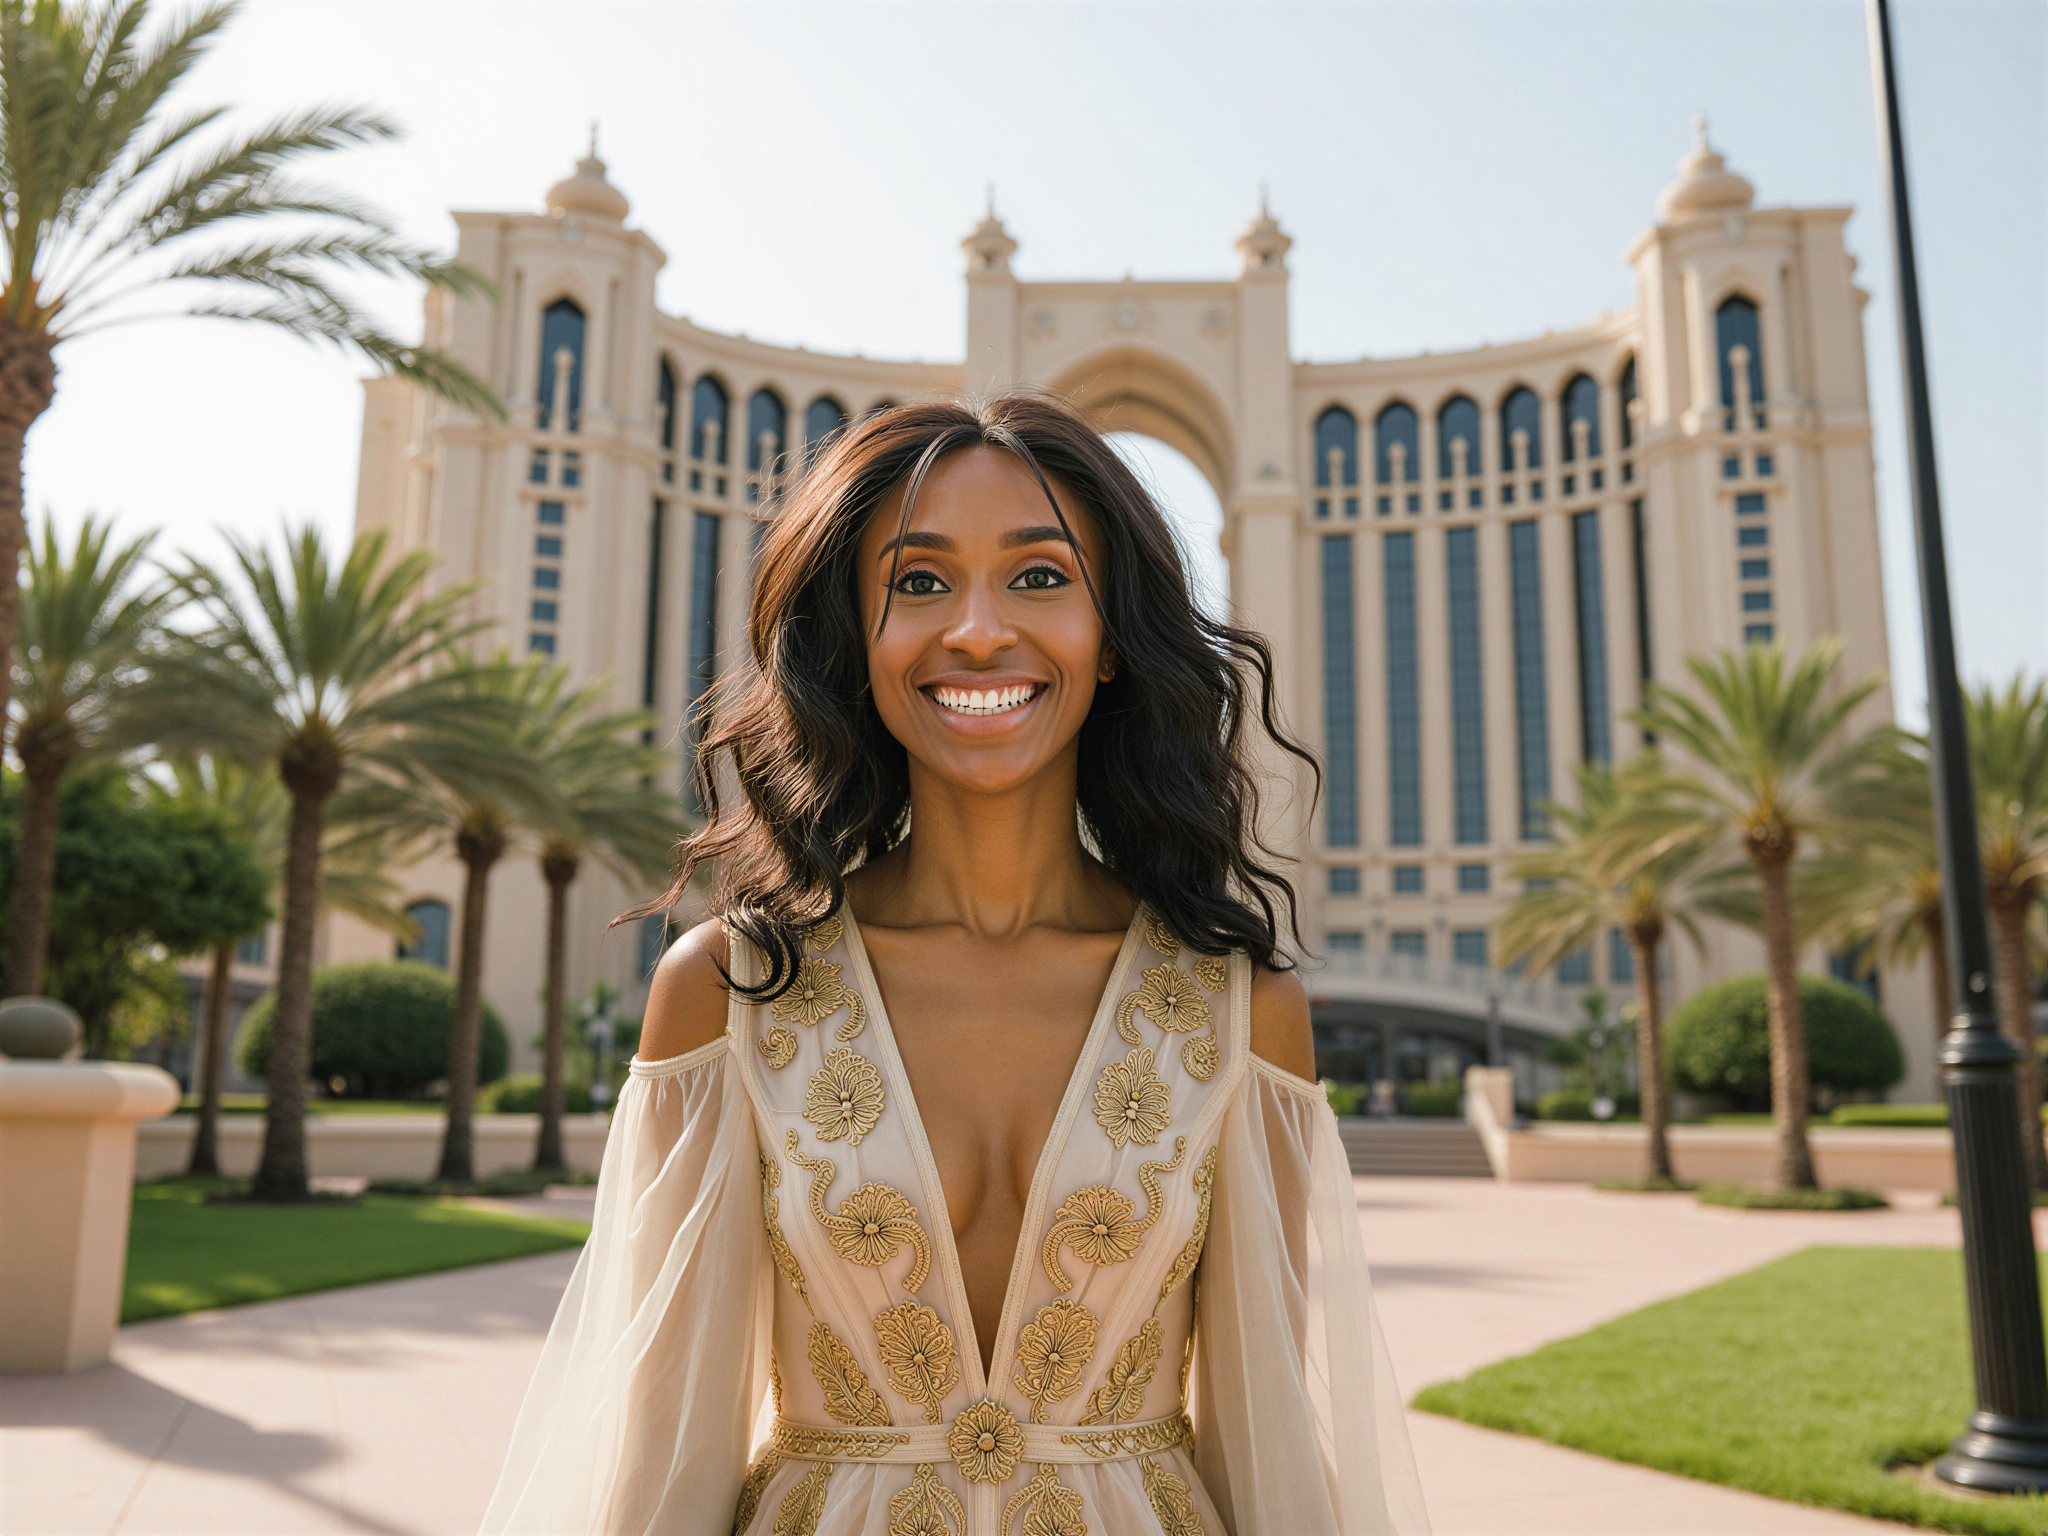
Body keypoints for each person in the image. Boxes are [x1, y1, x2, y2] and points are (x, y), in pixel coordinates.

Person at [480, 392, 1430, 1536]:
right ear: (856, 643)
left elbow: (1266, 1434)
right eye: (918, 584)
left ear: (1114, 636)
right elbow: (659, 1446)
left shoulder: (1238, 1012)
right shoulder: (729, 993)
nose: (978, 630)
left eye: (1039, 577)